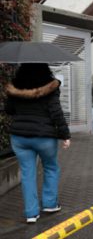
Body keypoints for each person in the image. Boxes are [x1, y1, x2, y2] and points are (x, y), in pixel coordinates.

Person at [5, 63, 71, 223]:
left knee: (28, 173)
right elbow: (56, 112)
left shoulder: (15, 87)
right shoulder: (51, 86)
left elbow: (9, 110)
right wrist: (65, 135)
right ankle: (50, 204)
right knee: (51, 167)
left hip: (19, 138)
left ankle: (31, 213)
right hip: (44, 137)